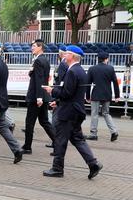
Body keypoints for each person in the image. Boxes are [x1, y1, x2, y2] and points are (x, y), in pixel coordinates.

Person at [43, 45, 103, 179]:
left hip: (68, 113)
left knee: (60, 140)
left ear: (72, 56)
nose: (64, 56)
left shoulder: (72, 72)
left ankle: (57, 168)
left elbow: (67, 93)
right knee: (78, 139)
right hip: (76, 111)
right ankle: (93, 164)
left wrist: (52, 90)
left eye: (66, 54)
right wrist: (57, 102)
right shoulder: (80, 70)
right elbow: (73, 94)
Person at [21, 39, 55, 154]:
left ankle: (27, 146)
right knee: (44, 121)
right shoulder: (44, 60)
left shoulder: (39, 61)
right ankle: (58, 142)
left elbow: (39, 79)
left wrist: (39, 97)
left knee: (29, 122)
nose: (32, 48)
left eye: (34, 46)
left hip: (37, 96)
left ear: (40, 47)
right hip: (43, 95)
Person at [85, 51, 120, 142]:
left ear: (98, 59)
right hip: (107, 94)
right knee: (106, 113)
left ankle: (93, 134)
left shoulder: (92, 69)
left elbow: (88, 84)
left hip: (96, 94)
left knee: (94, 113)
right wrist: (117, 95)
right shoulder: (110, 68)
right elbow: (115, 83)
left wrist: (87, 96)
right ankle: (114, 131)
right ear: (106, 59)